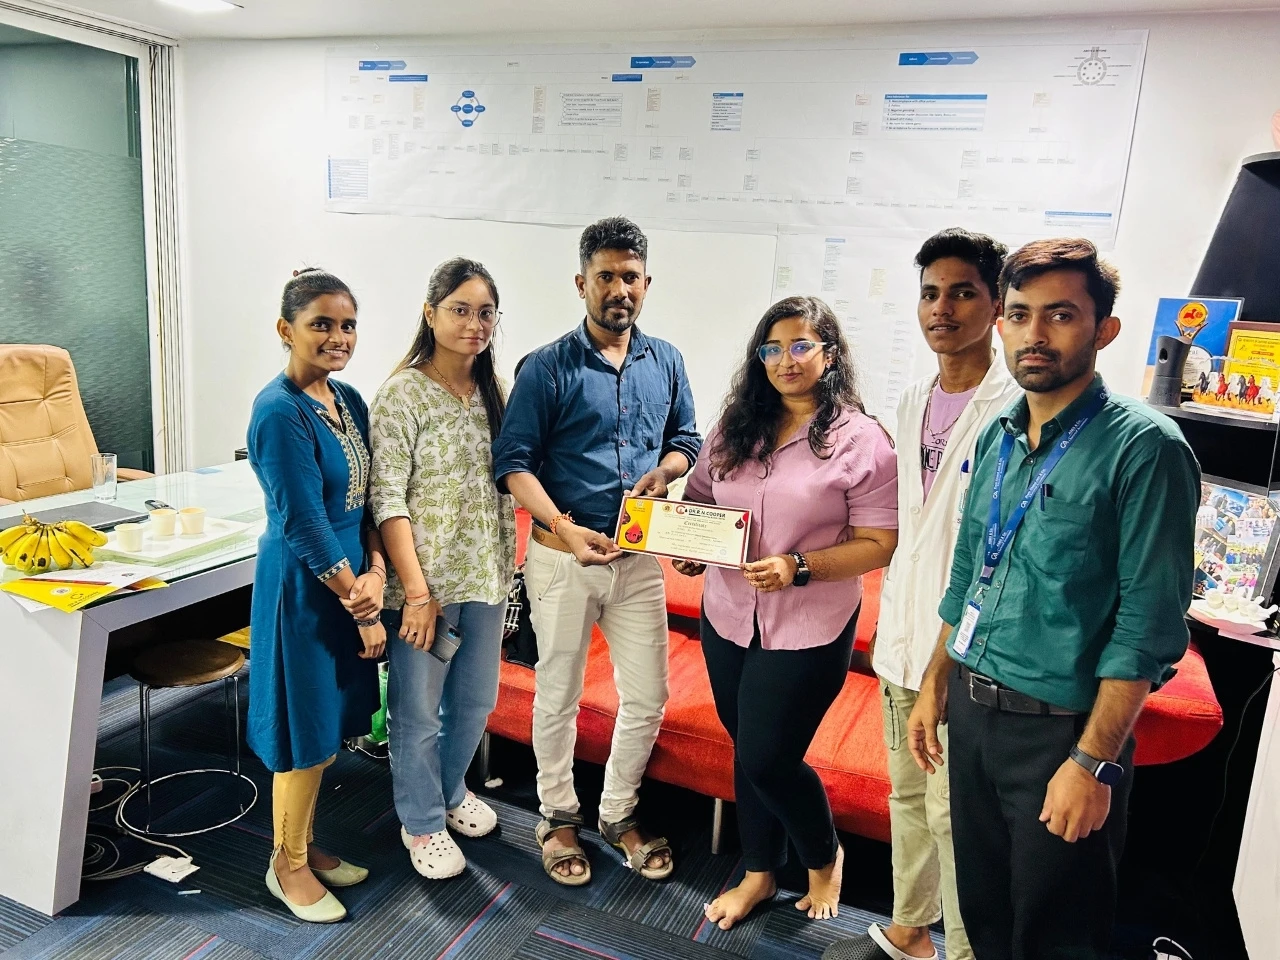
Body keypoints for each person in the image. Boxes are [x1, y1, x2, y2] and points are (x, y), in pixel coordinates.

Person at [908, 239, 1200, 960]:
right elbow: (970, 572)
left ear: (1105, 329)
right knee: (983, 915)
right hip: (973, 713)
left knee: (1056, 934)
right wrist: (936, 680)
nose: (1034, 334)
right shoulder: (1000, 435)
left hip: (1061, 733)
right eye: (1019, 314)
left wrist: (1093, 763)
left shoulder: (1146, 448)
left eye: (1061, 315)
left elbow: (1148, 625)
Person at [824, 228, 1020, 960]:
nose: (943, 308)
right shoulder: (909, 404)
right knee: (906, 799)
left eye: (963, 292)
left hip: (966, 657)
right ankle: (910, 930)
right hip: (902, 641)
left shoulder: (1016, 410)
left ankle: (965, 952)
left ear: (996, 306)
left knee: (955, 818)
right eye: (931, 293)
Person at [676, 295, 899, 930]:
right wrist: (692, 544)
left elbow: (879, 543)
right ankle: (759, 872)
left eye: (801, 345)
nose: (785, 360)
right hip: (727, 615)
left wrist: (799, 566)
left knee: (769, 757)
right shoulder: (735, 426)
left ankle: (824, 855)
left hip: (809, 626)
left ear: (830, 353)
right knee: (748, 748)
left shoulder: (862, 440)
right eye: (771, 349)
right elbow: (700, 496)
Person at [492, 215, 701, 885]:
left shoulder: (666, 361)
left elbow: (688, 439)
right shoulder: (547, 367)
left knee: (649, 696)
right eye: (606, 276)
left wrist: (666, 470)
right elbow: (512, 464)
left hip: (638, 561)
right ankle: (557, 816)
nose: (620, 289)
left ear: (647, 283)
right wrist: (562, 526)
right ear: (582, 283)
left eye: (631, 277)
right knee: (557, 693)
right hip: (561, 558)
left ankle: (617, 812)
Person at [246, 268, 387, 923]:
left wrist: (377, 572)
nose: (338, 337)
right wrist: (362, 606)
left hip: (351, 579)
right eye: (321, 324)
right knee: (303, 731)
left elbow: (369, 500)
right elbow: (303, 523)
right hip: (305, 588)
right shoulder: (278, 411)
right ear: (286, 329)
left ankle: (301, 844)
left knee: (326, 729)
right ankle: (286, 865)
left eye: (348, 325)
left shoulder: (348, 398)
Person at [369, 257, 517, 880]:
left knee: (477, 701)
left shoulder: (494, 391)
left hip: (486, 576)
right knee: (418, 712)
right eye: (460, 309)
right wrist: (416, 592)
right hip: (425, 588)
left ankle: (452, 791)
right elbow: (386, 500)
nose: (474, 323)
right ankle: (422, 820)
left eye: (485, 312)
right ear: (430, 314)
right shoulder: (402, 394)